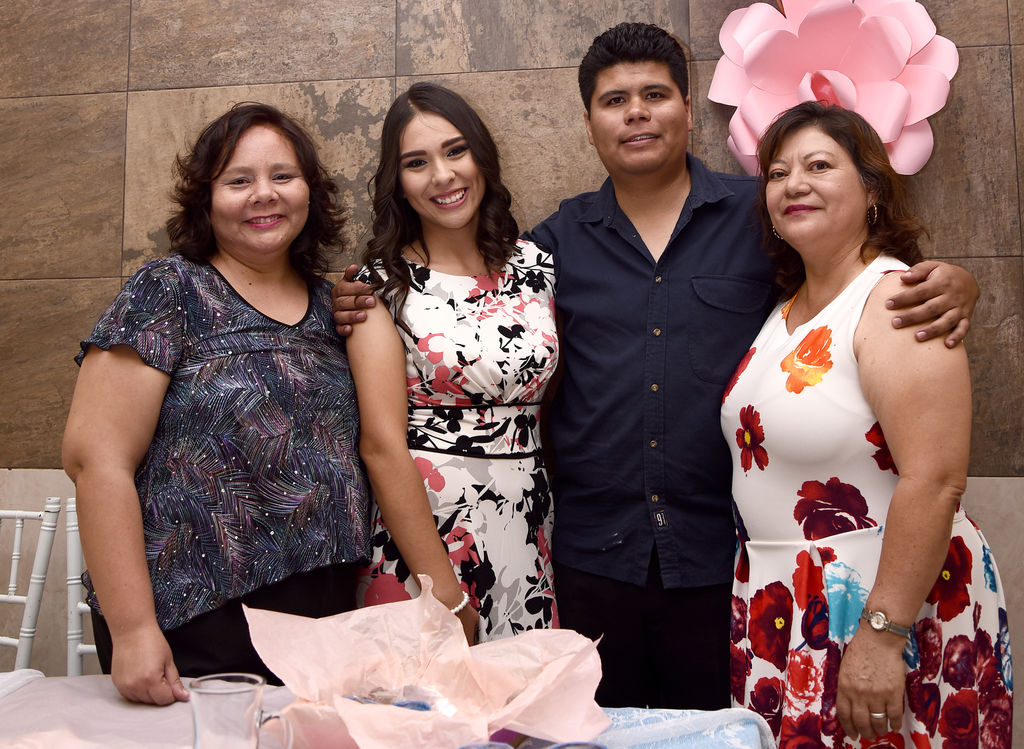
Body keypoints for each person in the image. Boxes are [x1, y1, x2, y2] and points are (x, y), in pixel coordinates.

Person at [332, 23, 980, 709]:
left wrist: (954, 283)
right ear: (589, 123)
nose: (636, 113)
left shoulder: (763, 216)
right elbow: (469, 305)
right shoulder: (551, 248)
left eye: (654, 95)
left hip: (723, 562)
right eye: (615, 101)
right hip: (587, 563)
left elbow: (846, 277)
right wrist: (362, 295)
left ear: (687, 106)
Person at [721, 101, 1012, 747]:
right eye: (777, 173)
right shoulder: (788, 308)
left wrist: (883, 636)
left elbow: (935, 479)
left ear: (874, 191)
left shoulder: (897, 301)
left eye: (819, 165)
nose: (794, 183)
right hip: (788, 603)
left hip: (877, 607)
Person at [61, 103, 370, 705]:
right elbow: (96, 461)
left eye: (283, 176)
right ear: (205, 199)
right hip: (194, 615)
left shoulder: (331, 307)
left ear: (310, 191)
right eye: (238, 180)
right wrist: (132, 630)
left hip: (322, 618)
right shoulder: (168, 290)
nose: (264, 194)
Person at [347, 83, 558, 644]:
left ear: (481, 156)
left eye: (455, 151)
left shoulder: (535, 267)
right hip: (430, 535)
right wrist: (442, 590)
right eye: (417, 163)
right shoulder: (380, 287)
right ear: (398, 183)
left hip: (528, 524)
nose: (442, 175)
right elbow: (380, 446)